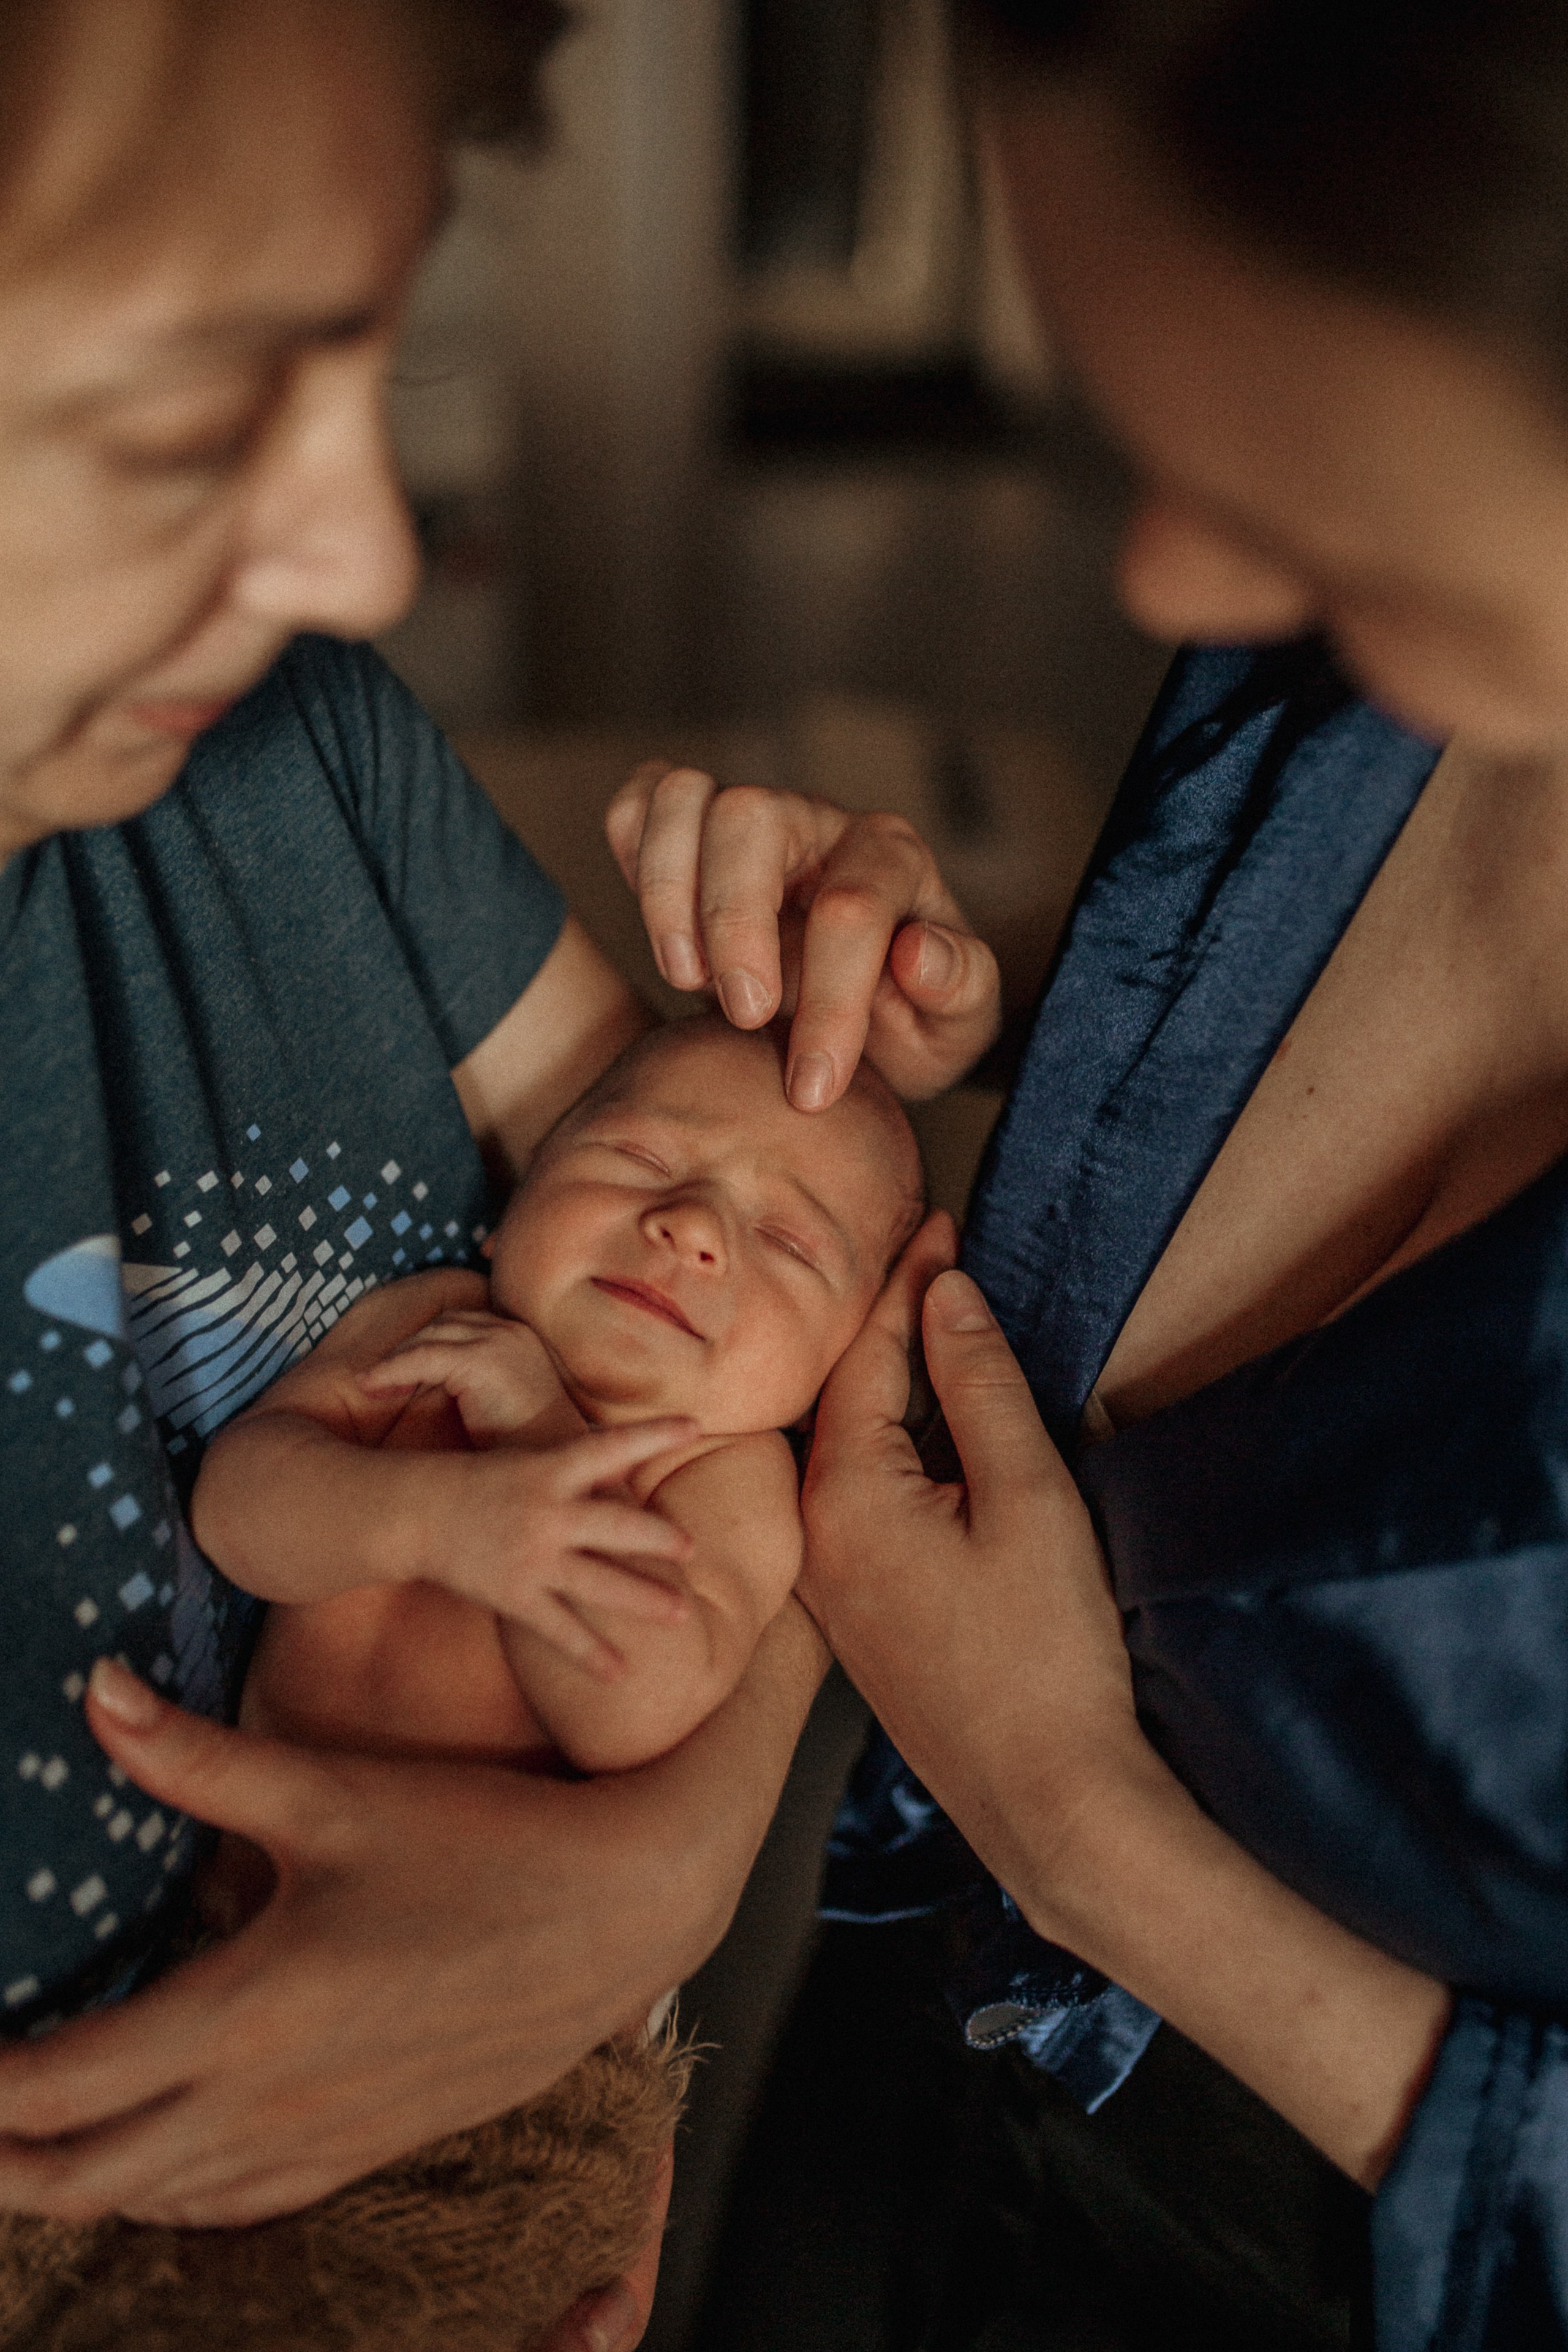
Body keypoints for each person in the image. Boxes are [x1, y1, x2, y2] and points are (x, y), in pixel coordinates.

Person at [0, 8, 1000, 2349]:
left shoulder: (281, 745)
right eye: (189, 404)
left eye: (363, 350)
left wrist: (642, 1872)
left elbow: (731, 1256)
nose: (363, 551)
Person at [602, 1, 1568, 2345]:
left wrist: (1075, 1824)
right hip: (890, 2095)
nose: (1164, 583)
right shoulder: (1378, 648)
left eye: (1294, 476)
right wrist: (960, 1033)